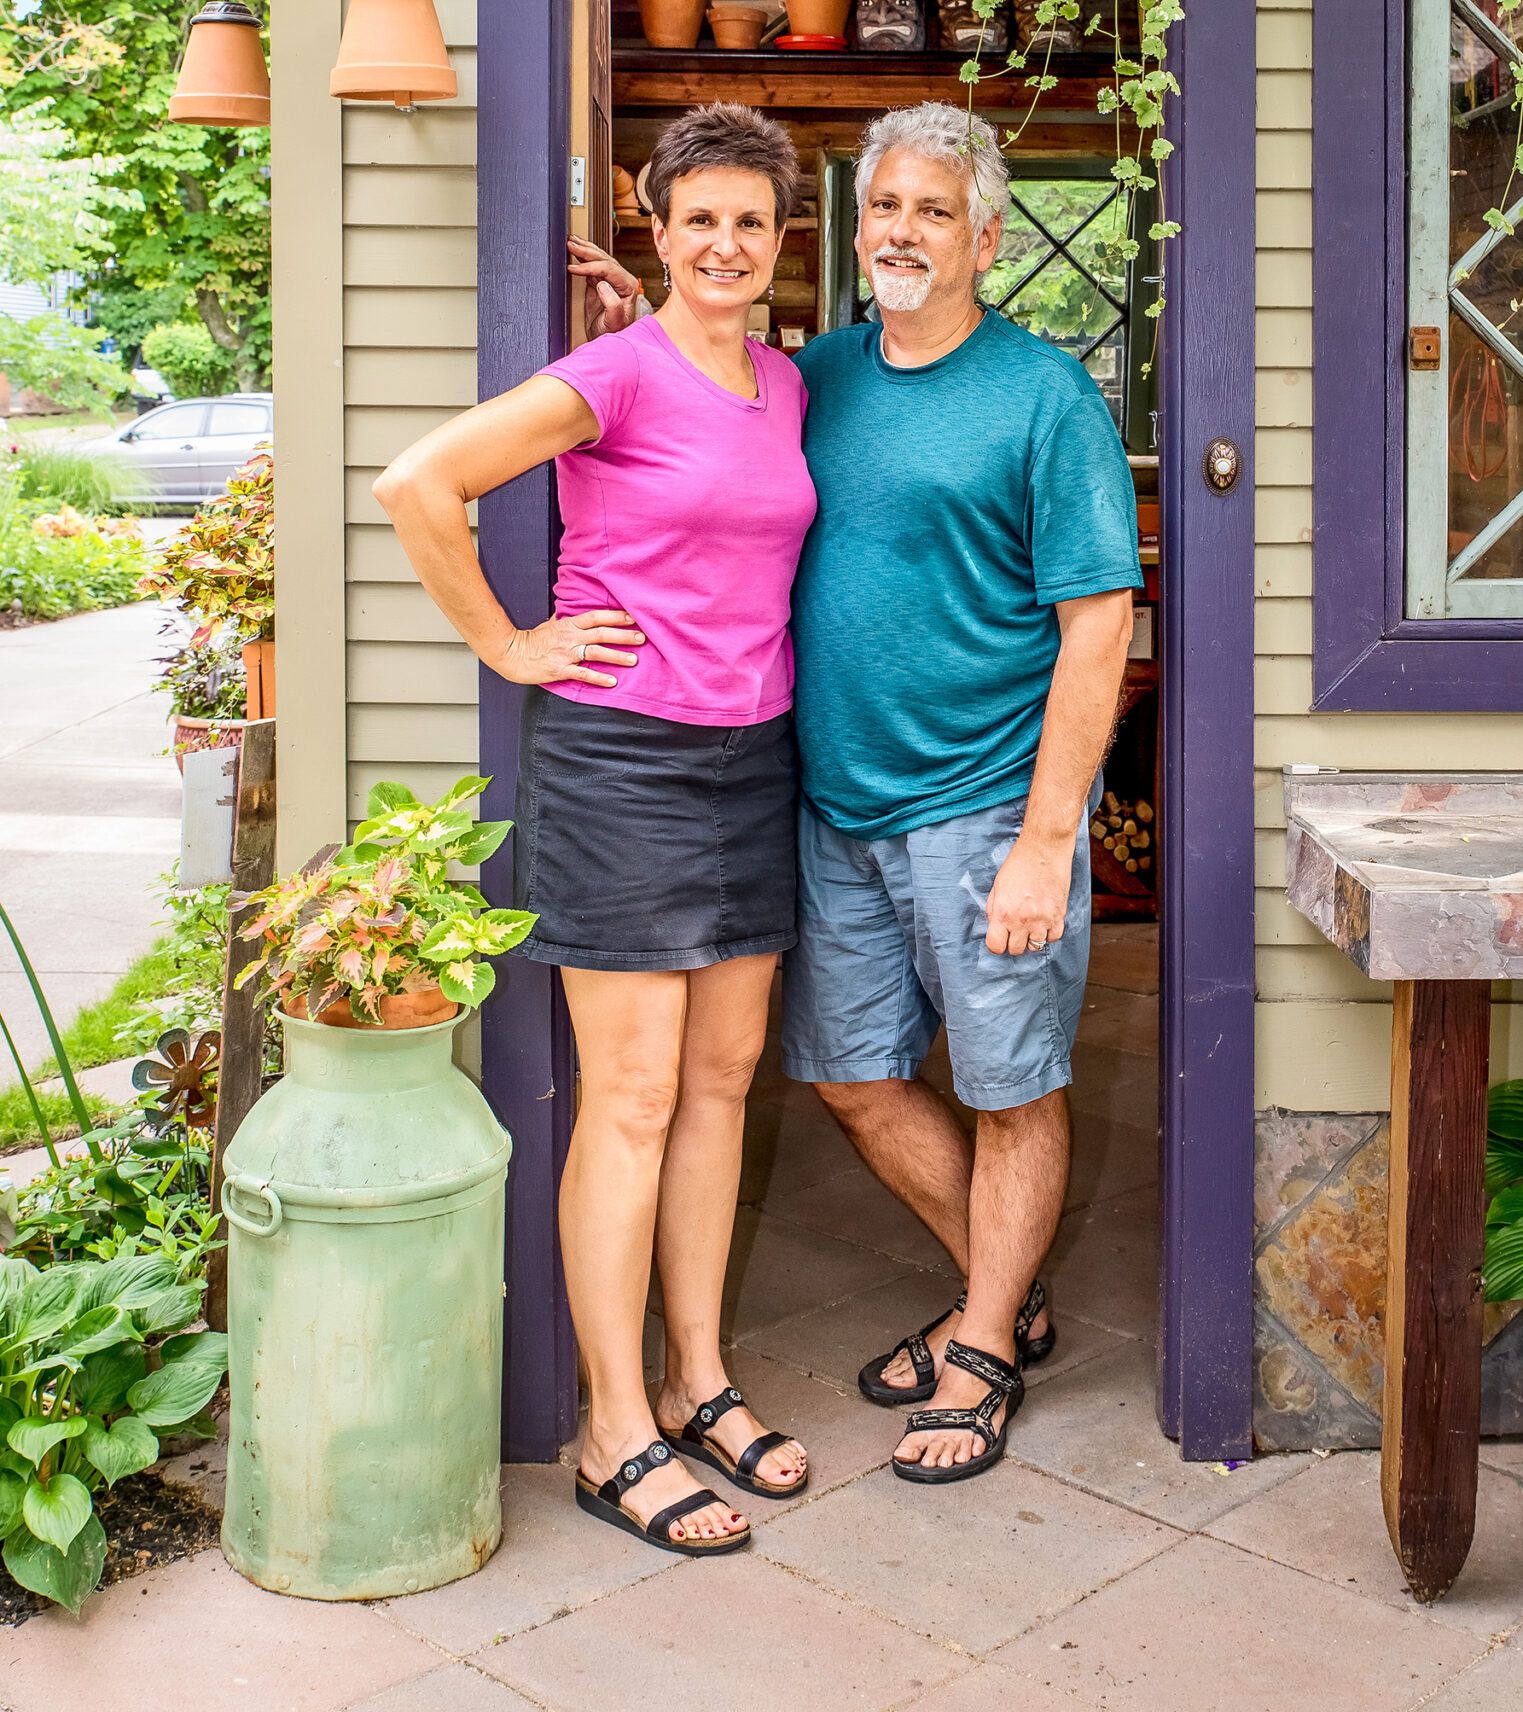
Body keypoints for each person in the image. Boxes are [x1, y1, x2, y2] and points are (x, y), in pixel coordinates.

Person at [581, 101, 1140, 1486]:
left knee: (1011, 1087)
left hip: (985, 804)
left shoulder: (1043, 397)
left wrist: (1044, 841)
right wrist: (635, 321)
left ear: (986, 237)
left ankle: (985, 1344)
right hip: (831, 804)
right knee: (844, 1076)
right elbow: (702, 399)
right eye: (883, 205)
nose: (901, 229)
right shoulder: (811, 374)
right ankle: (997, 1293)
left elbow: (1099, 623)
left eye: (933, 210)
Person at [373, 104, 816, 1559]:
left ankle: (698, 1381)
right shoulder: (605, 373)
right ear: (656, 223)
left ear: (778, 235)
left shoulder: (785, 384)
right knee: (628, 1099)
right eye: (700, 218)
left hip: (753, 759)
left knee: (722, 1081)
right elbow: (417, 484)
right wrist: (507, 644)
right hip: (623, 765)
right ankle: (610, 1426)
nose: (726, 243)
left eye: (750, 220)